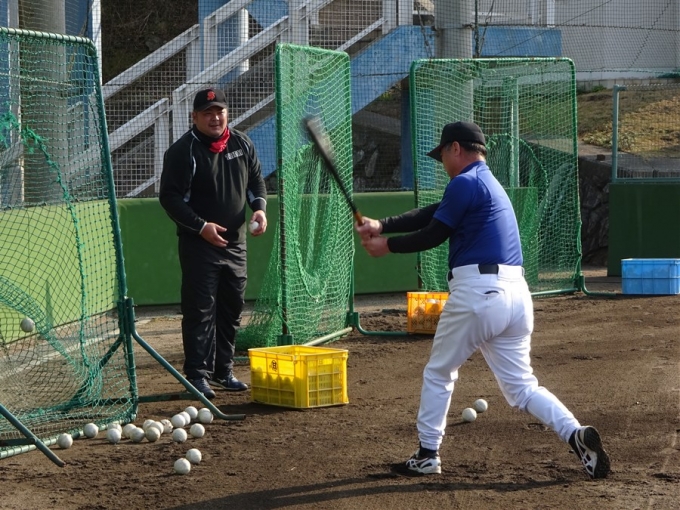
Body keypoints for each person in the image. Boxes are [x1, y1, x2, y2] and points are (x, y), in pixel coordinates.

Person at [355, 121, 610, 479]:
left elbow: (435, 232)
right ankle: (574, 433)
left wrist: (388, 245)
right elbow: (433, 212)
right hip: (516, 296)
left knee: (440, 371)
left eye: (443, 154)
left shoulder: (465, 182)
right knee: (523, 387)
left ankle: (428, 454)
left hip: (479, 293)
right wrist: (383, 225)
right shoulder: (487, 183)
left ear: (456, 148)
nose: (443, 163)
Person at [159, 88, 267, 400]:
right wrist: (201, 227)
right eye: (207, 113)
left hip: (235, 245)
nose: (215, 117)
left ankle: (223, 371)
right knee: (201, 310)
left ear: (227, 113)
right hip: (200, 246)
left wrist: (259, 209)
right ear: (194, 117)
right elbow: (170, 198)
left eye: (219, 111)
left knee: (232, 308)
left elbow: (255, 182)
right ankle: (197, 375)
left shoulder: (241, 143)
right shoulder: (183, 151)